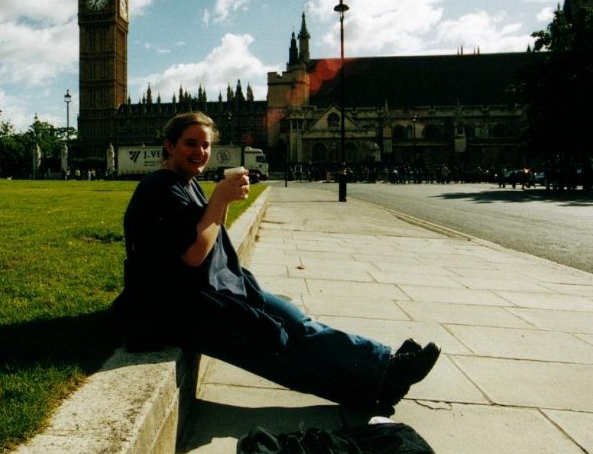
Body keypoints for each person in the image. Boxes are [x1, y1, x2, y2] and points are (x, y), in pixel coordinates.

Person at [113, 111, 440, 415]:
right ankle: (370, 390)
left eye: (205, 144)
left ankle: (384, 365)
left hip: (216, 288)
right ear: (169, 146)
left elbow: (210, 234)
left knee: (297, 322)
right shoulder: (158, 189)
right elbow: (193, 254)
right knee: (275, 347)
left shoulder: (186, 181)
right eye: (190, 144)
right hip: (176, 307)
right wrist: (219, 199)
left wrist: (223, 202)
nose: (200, 151)